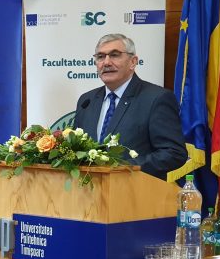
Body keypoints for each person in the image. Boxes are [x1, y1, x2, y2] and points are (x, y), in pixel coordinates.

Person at [74, 33, 187, 180]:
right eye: (100, 57)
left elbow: (174, 152)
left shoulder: (156, 98)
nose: (106, 62)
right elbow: (77, 149)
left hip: (136, 189)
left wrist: (124, 168)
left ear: (133, 62)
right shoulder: (87, 100)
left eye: (114, 55)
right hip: (90, 190)